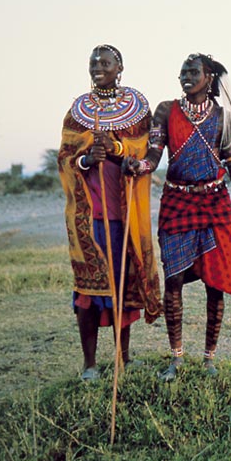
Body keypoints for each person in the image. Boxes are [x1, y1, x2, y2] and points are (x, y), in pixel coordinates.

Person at [123, 53, 231, 380]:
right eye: (183, 72)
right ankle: (177, 358)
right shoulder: (166, 111)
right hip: (177, 203)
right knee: (173, 280)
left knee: (216, 282)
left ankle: (209, 359)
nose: (186, 77)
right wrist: (138, 166)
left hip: (215, 205)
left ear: (208, 78)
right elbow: (154, 155)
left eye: (193, 72)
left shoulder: (223, 116)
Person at [58, 45, 162, 381]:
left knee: (123, 287)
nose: (97, 67)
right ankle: (90, 364)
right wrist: (88, 158)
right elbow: (65, 158)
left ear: (120, 68)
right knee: (88, 290)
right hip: (89, 219)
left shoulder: (138, 110)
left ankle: (123, 358)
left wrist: (116, 149)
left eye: (105, 63)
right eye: (93, 63)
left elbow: (145, 152)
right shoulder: (78, 112)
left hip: (124, 214)